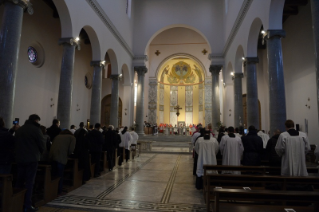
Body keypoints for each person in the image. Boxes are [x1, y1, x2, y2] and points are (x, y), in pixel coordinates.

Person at [15, 114, 44, 212]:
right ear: (36, 120)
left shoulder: (20, 129)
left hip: (19, 159)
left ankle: (17, 203)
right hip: (32, 159)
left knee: (19, 181)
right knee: (29, 182)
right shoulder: (36, 130)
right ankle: (27, 205)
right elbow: (42, 145)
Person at [49, 130, 76, 194]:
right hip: (61, 157)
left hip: (53, 156)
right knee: (60, 175)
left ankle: (51, 190)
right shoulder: (72, 138)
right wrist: (68, 154)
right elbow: (71, 149)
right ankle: (59, 191)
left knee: (53, 174)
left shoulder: (57, 136)